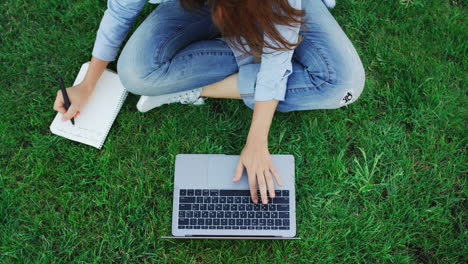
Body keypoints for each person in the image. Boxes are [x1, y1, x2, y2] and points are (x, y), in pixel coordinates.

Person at [53, 0, 365, 205]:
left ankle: (194, 87)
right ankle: (242, 50)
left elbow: (277, 53)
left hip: (272, 6)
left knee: (342, 85)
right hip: (199, 6)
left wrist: (257, 139)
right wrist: (87, 83)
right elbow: (121, 11)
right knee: (135, 72)